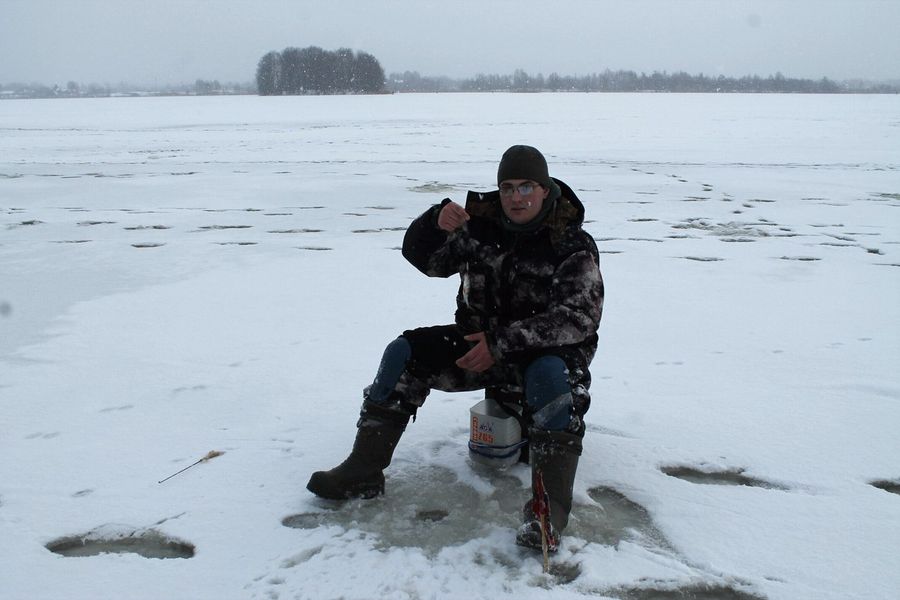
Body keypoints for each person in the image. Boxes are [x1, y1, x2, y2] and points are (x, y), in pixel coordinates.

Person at [307, 145, 604, 552]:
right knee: (403, 353)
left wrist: (501, 344)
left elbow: (578, 319)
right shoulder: (481, 229)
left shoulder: (571, 244)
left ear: (545, 188)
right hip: (476, 349)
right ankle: (363, 471)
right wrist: (433, 221)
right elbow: (425, 259)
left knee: (554, 377)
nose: (517, 197)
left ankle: (546, 513)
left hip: (543, 358)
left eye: (526, 187)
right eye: (508, 187)